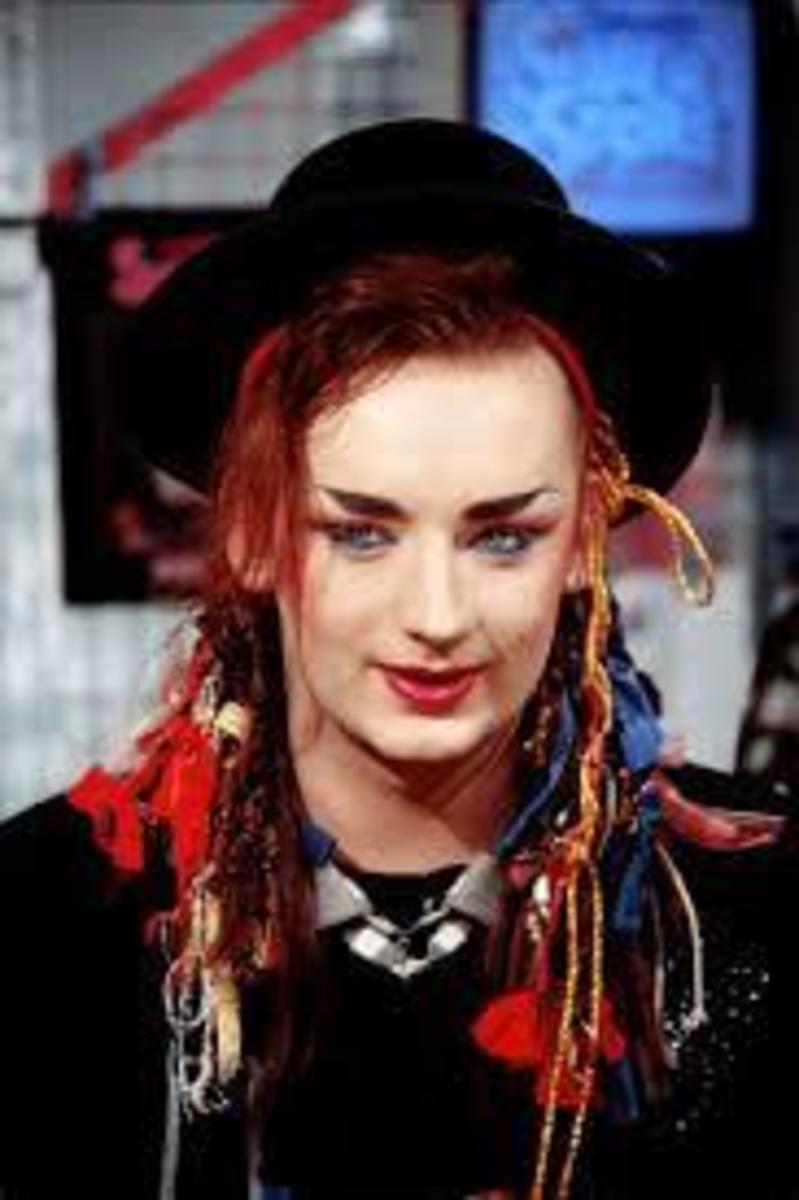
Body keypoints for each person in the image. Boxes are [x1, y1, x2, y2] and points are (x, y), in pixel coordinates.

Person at [0, 119, 795, 1200]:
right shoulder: (43, 932)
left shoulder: (749, 920)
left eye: (502, 536)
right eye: (359, 532)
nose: (436, 615)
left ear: (582, 540)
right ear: (251, 532)